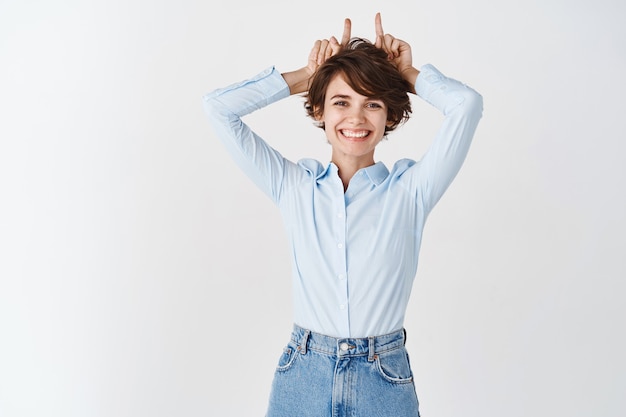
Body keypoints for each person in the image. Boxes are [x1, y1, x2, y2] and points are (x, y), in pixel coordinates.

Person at [203, 13, 482, 417]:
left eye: (372, 103)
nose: (356, 117)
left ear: (390, 116)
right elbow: (217, 109)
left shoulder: (410, 191)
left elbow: (466, 105)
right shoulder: (293, 186)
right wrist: (308, 75)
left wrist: (408, 73)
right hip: (303, 373)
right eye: (341, 101)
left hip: (382, 377)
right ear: (320, 111)